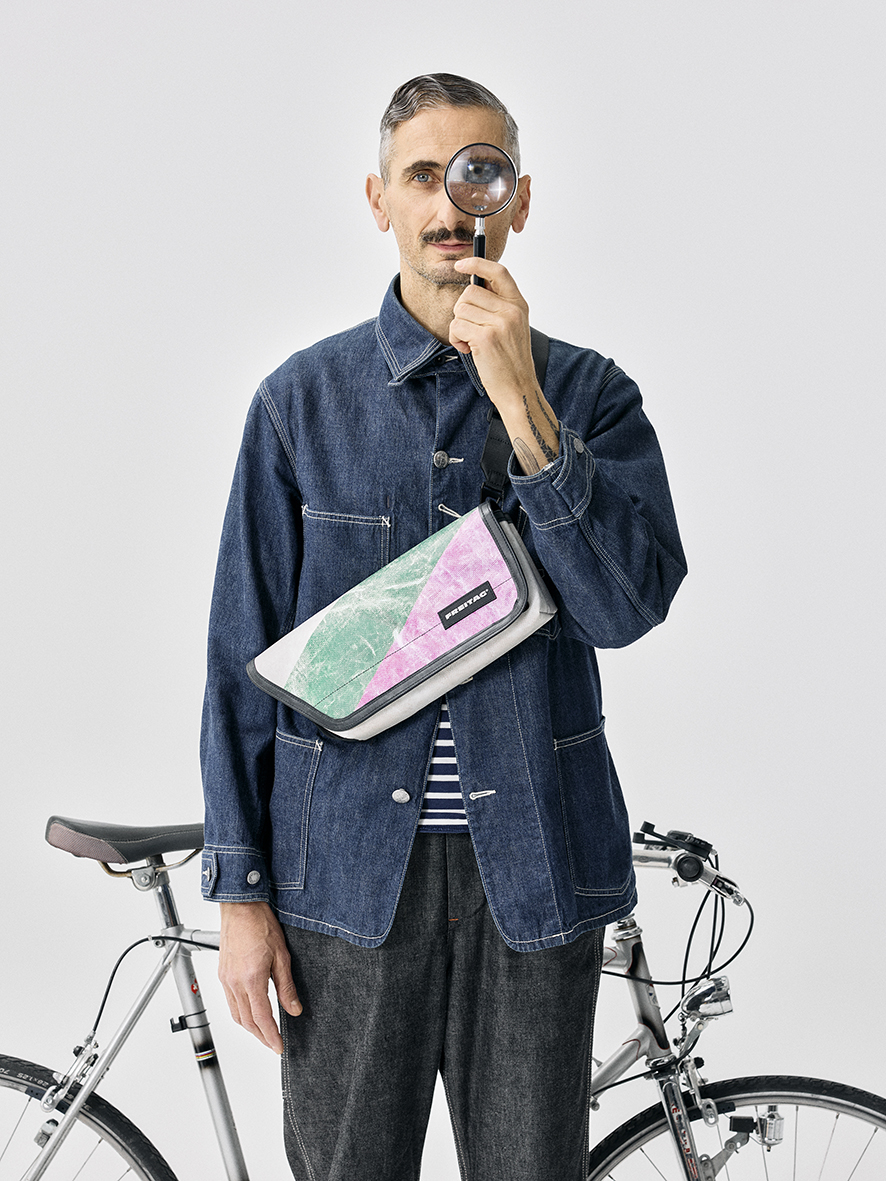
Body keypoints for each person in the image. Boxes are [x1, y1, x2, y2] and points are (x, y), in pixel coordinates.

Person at [200, 73, 687, 1181]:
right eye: (422, 174)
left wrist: (523, 405)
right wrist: (240, 895)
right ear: (378, 200)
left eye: (479, 173)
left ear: (519, 200)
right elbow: (240, 658)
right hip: (344, 885)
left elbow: (625, 608)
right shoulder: (299, 404)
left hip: (536, 875)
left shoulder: (591, 395)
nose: (448, 202)